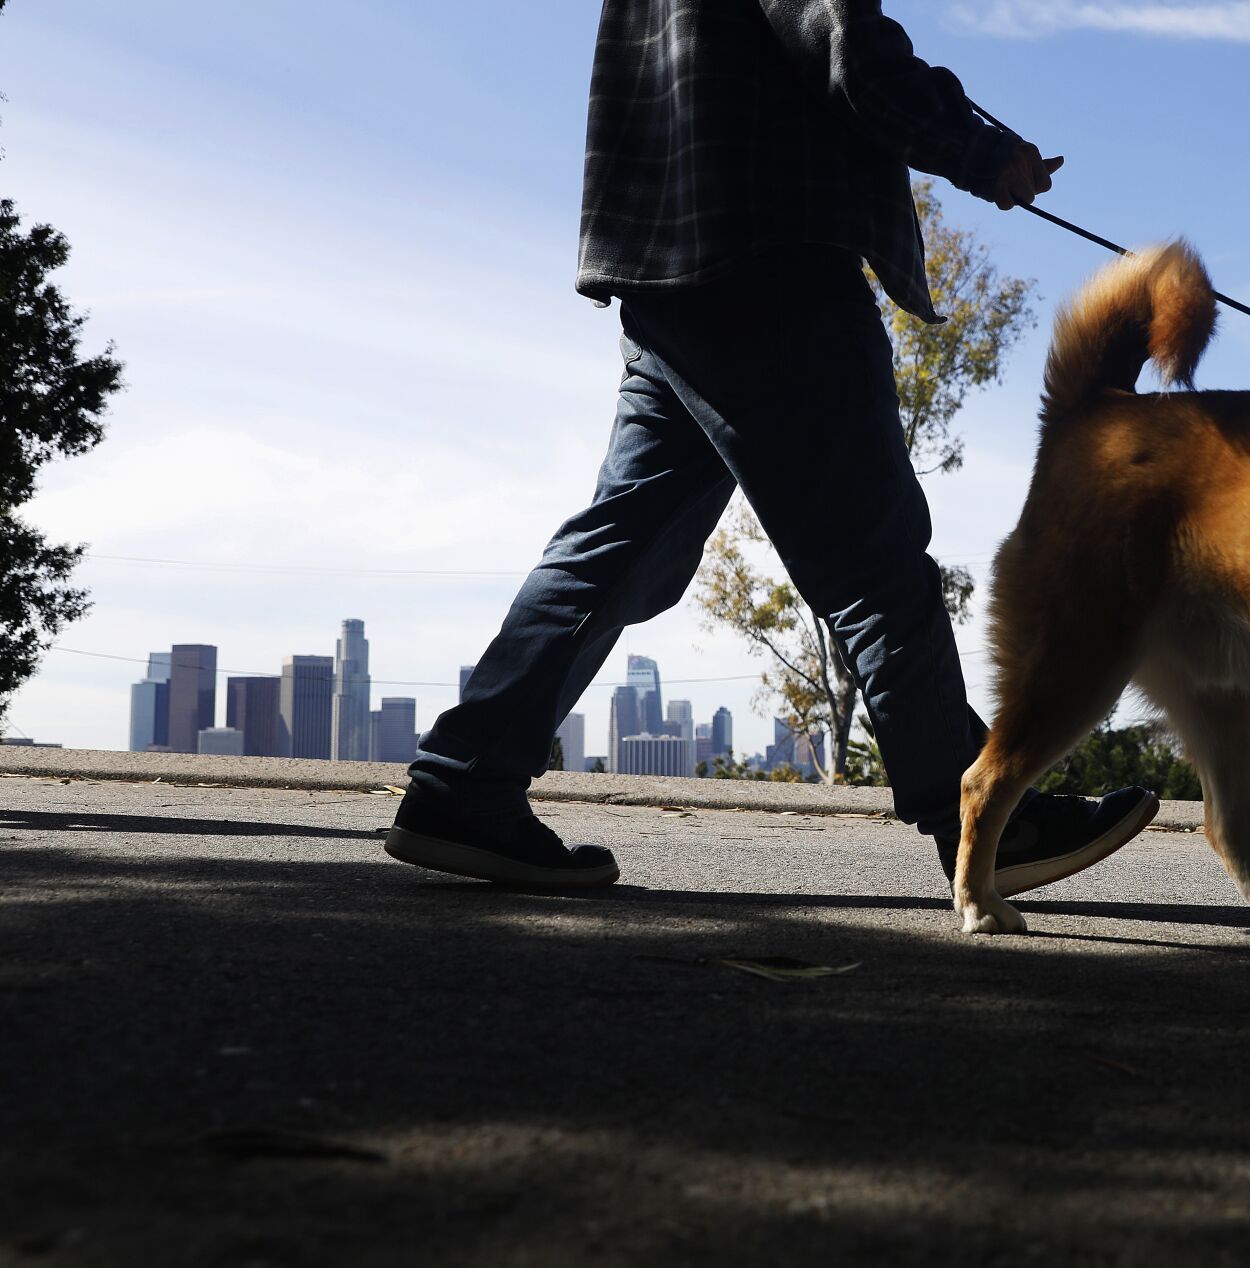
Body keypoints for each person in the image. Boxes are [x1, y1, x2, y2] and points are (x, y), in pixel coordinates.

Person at [384, 0, 1158, 892]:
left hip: (670, 266)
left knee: (624, 542)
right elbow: (846, 44)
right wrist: (982, 152)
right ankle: (983, 819)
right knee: (873, 557)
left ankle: (464, 782)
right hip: (772, 256)